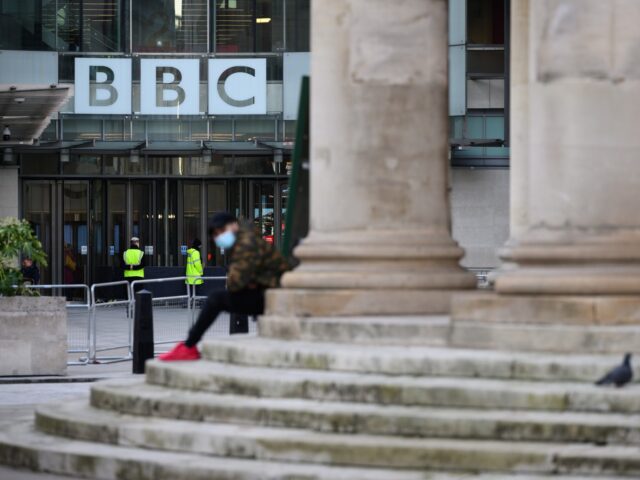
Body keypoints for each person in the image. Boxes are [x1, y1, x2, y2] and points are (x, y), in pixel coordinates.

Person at [159, 212, 291, 361]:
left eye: (222, 231)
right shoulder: (247, 239)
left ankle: (189, 346)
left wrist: (240, 278)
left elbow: (236, 282)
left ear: (234, 225)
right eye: (216, 234)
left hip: (273, 297)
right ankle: (189, 345)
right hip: (271, 294)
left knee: (216, 299)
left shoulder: (246, 243)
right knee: (219, 298)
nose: (219, 236)